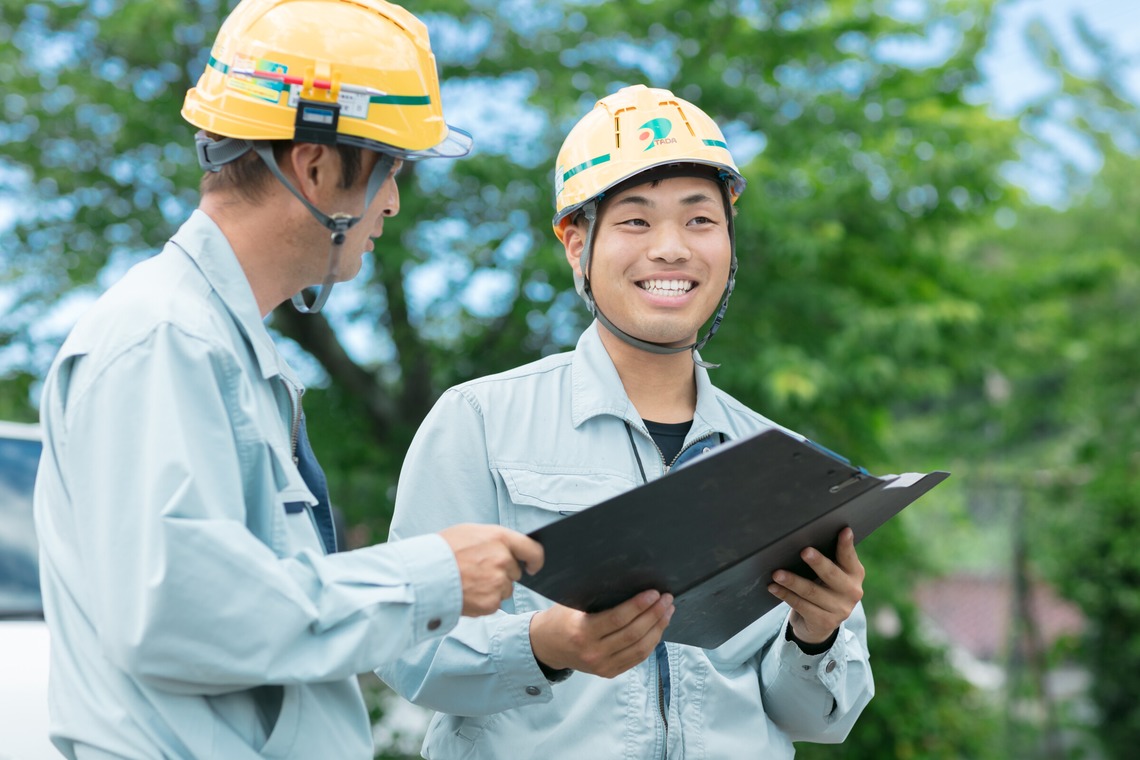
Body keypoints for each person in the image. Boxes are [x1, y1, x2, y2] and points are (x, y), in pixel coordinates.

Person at [32, 1, 543, 758]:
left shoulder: (219, 347)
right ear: (314, 166)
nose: (394, 203)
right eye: (391, 170)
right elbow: (176, 611)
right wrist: (432, 576)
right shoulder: (165, 339)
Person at [377, 84, 875, 758]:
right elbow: (405, 650)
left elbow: (818, 718)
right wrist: (544, 645)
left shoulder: (780, 463)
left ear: (729, 240)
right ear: (575, 241)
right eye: (636, 221)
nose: (671, 249)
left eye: (700, 220)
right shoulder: (480, 424)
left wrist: (816, 634)